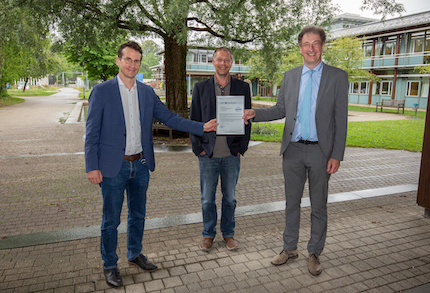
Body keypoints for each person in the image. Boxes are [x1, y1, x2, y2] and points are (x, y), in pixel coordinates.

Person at [84, 41, 217, 288]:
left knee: (138, 215)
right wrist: (92, 166)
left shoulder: (146, 92)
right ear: (118, 61)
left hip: (141, 165)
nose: (132, 65)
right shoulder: (102, 91)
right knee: (110, 220)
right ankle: (110, 265)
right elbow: (92, 133)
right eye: (128, 59)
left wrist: (202, 126)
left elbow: (169, 117)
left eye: (136, 61)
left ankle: (134, 254)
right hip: (113, 168)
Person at [242, 25, 348, 275]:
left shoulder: (337, 76)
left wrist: (336, 154)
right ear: (300, 48)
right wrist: (255, 113)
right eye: (306, 44)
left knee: (318, 205)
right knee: (291, 203)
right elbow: (281, 109)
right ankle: (289, 248)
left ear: (322, 46)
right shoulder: (290, 76)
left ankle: (314, 252)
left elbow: (340, 119)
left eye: (315, 44)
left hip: (321, 153)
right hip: (292, 151)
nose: (311, 49)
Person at [190, 47, 252, 252]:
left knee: (230, 198)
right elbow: (194, 119)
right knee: (207, 199)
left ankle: (228, 233)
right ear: (213, 62)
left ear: (231, 63)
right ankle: (208, 234)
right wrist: (197, 147)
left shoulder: (242, 87)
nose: (222, 63)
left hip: (231, 154)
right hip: (208, 154)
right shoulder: (200, 87)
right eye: (219, 60)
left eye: (226, 60)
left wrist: (242, 147)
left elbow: (248, 119)